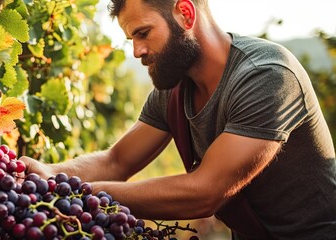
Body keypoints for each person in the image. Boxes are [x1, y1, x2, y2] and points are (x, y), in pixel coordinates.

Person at [19, 0, 336, 239]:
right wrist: (51, 173)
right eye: (131, 38)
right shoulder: (174, 88)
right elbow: (117, 160)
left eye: (143, 33)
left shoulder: (267, 76)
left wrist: (74, 193)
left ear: (185, 13)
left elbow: (204, 192)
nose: (137, 51)